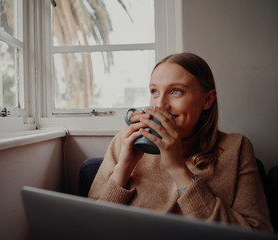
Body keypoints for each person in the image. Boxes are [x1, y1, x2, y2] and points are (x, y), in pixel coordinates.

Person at [88, 52, 273, 231]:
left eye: (176, 91)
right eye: (154, 91)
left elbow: (257, 232)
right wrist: (124, 167)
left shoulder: (236, 148)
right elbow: (90, 226)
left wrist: (179, 170)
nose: (159, 105)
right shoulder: (123, 142)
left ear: (207, 100)